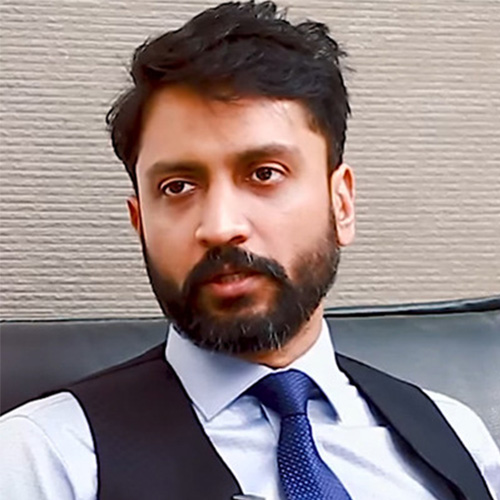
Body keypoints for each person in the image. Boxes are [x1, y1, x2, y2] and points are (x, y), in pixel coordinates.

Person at [0, 1, 499, 499]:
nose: (220, 227)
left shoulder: (457, 436)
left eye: (264, 174)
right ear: (140, 223)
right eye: (177, 187)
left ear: (341, 204)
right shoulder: (46, 459)